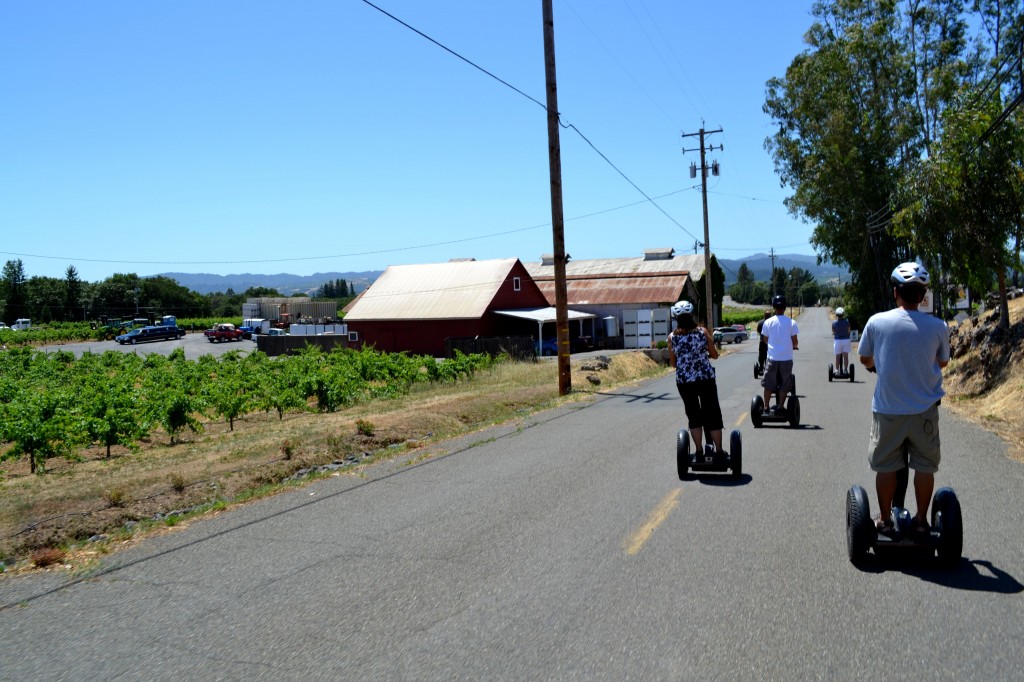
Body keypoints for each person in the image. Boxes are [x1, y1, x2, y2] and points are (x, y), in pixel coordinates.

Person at [859, 262, 950, 533]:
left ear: (896, 292)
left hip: (888, 409)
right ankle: (922, 521)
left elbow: (865, 358)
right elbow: (943, 362)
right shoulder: (938, 326)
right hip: (924, 410)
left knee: (885, 466)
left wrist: (882, 363)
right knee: (924, 466)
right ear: (922, 296)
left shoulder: (877, 322)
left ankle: (885, 520)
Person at [667, 300, 725, 453]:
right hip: (705, 379)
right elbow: (714, 355)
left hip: (685, 382)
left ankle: (699, 450)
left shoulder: (672, 337)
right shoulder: (702, 332)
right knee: (712, 413)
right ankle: (718, 450)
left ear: (675, 317)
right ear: (691, 315)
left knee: (693, 415)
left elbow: (673, 364)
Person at [760, 294, 799, 413]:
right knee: (784, 383)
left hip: (772, 357)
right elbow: (795, 341)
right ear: (785, 307)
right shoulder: (791, 322)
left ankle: (766, 407)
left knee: (768, 383)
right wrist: (794, 346)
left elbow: (765, 339)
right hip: (786, 358)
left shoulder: (768, 322)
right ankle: (781, 406)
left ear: (773, 307)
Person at [832, 307, 852, 374]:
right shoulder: (847, 321)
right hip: (846, 339)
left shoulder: (834, 323)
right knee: (845, 356)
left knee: (838, 356)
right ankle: (846, 370)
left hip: (838, 340)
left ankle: (837, 370)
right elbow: (849, 330)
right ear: (843, 314)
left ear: (836, 314)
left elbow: (833, 332)